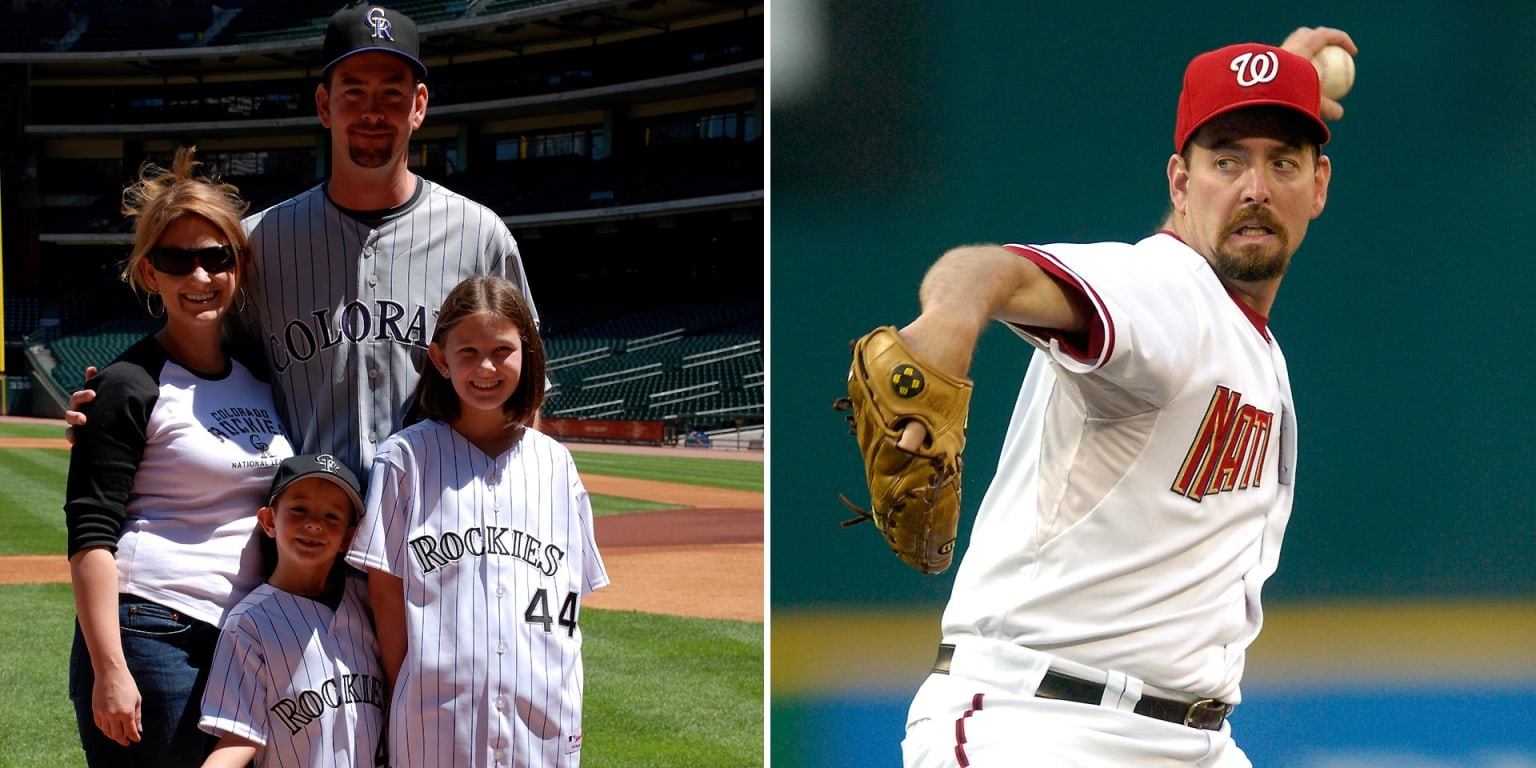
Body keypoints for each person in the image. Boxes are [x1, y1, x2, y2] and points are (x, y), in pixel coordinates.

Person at [887, 30, 1353, 767]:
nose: (1255, 188)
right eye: (1226, 160)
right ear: (1179, 183)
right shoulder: (1165, 293)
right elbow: (991, 271)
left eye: (1282, 162)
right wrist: (949, 320)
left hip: (1191, 741)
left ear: (1318, 186)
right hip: (1040, 730)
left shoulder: (1238, 334)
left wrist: (1278, 78)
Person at [67, 3, 541, 479]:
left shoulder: (481, 235)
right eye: (353, 92)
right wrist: (116, 397)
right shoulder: (262, 242)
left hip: (437, 528)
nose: (372, 112)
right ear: (323, 105)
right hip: (309, 535)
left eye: (391, 93)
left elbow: (526, 385)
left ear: (418, 105)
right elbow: (200, 353)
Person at [64, 146, 295, 767]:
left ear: (237, 265)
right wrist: (109, 669)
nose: (199, 277)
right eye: (176, 260)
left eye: (216, 258)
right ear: (149, 273)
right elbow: (90, 536)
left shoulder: (257, 376)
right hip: (152, 633)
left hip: (240, 637)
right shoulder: (128, 384)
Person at [346, 275, 609, 767]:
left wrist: (557, 684)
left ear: (527, 354)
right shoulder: (405, 458)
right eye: (467, 351)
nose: (486, 366)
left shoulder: (556, 464)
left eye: (502, 350)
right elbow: (384, 591)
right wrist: (411, 683)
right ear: (440, 359)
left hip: (543, 716)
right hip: (436, 717)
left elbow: (567, 595)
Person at [198, 454, 384, 768]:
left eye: (332, 516)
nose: (314, 524)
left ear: (348, 538)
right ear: (269, 521)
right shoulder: (249, 623)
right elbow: (240, 735)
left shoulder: (367, 601)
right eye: (299, 509)